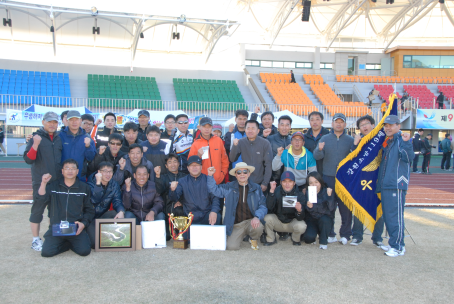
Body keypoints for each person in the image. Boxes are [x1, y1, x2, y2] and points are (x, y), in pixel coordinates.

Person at [32, 159, 95, 257]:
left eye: (73, 168)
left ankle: (72, 242)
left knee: (85, 251)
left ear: (77, 171)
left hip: (75, 228)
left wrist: (83, 223)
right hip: (57, 228)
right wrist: (43, 183)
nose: (70, 171)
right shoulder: (53, 186)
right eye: (67, 168)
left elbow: (89, 209)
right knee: (46, 252)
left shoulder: (84, 188)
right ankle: (67, 244)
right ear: (62, 171)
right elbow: (41, 200)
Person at [376, 115, 414, 257]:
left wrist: (406, 142)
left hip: (396, 184)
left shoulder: (401, 140)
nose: (388, 127)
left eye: (391, 125)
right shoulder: (390, 142)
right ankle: (395, 243)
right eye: (386, 125)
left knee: (394, 216)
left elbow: (409, 157)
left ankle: (397, 246)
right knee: (388, 216)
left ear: (398, 126)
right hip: (387, 184)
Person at [24, 111, 63, 251]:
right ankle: (35, 239)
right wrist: (35, 144)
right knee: (37, 210)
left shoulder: (59, 137)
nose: (52, 124)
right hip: (41, 183)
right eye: (49, 121)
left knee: (54, 212)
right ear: (43, 122)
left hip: (57, 181)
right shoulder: (36, 137)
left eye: (55, 122)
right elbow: (28, 159)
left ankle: (51, 236)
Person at [313, 113, 354, 245]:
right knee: (329, 206)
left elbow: (355, 156)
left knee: (345, 208)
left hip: (344, 179)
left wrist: (356, 145)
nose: (338, 124)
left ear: (345, 124)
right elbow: (317, 156)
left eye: (341, 122)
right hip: (328, 177)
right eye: (336, 121)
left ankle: (346, 234)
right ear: (332, 124)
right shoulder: (325, 138)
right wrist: (319, 150)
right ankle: (330, 233)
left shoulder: (350, 140)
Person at [206, 162, 267, 250]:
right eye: (239, 172)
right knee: (231, 247)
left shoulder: (256, 188)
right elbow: (214, 190)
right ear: (235, 175)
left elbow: (263, 206)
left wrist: (257, 217)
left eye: (245, 172)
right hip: (236, 224)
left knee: (259, 227)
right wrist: (210, 176)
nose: (242, 174)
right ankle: (241, 236)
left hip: (251, 221)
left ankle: (253, 238)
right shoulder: (229, 187)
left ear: (249, 174)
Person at [349, 115, 385, 247]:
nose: (364, 126)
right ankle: (357, 236)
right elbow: (351, 160)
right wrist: (355, 145)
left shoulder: (381, 140)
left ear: (373, 125)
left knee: (378, 208)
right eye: (361, 125)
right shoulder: (359, 141)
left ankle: (377, 237)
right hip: (361, 179)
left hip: (377, 179)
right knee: (358, 207)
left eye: (367, 123)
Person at [169, 156, 222, 239]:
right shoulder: (182, 181)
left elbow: (215, 197)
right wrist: (172, 190)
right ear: (188, 168)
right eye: (191, 165)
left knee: (217, 216)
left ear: (201, 167)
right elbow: (174, 198)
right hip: (190, 217)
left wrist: (214, 211)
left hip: (206, 216)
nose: (194, 167)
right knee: (187, 240)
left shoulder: (208, 179)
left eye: (197, 165)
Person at [86, 162, 125, 248]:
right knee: (94, 244)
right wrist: (98, 184)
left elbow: (117, 201)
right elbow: (94, 200)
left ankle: (106, 232)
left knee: (117, 213)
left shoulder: (114, 184)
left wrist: (121, 211)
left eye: (110, 171)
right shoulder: (89, 184)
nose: (108, 174)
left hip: (102, 215)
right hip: (89, 218)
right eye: (105, 171)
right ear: (99, 172)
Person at [263, 171, 307, 246]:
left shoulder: (299, 195)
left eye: (290, 181)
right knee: (266, 218)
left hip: (292, 223)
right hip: (278, 222)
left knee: (302, 225)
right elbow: (269, 208)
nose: (287, 184)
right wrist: (271, 191)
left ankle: (295, 239)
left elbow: (302, 217)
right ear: (280, 182)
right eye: (284, 181)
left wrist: (300, 211)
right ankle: (270, 239)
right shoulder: (276, 191)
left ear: (294, 183)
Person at [229, 120, 273, 192]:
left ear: (258, 131)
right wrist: (235, 146)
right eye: (248, 128)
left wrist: (265, 183)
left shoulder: (265, 143)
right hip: (244, 180)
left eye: (253, 128)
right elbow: (232, 159)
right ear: (245, 130)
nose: (250, 130)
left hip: (259, 181)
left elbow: (268, 164)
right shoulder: (241, 142)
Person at [154, 153, 187, 239]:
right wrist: (157, 176)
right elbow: (159, 191)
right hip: (167, 208)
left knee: (180, 210)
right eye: (170, 162)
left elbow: (188, 193)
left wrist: (182, 202)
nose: (173, 164)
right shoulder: (163, 177)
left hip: (181, 207)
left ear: (179, 163)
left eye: (175, 161)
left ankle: (181, 231)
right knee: (167, 237)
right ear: (166, 166)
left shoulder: (184, 177)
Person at [188, 117, 229, 185]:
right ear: (200, 127)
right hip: (202, 182)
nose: (207, 129)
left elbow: (224, 160)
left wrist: (223, 174)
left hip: (218, 181)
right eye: (204, 126)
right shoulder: (195, 144)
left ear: (212, 127)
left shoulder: (218, 140)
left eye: (209, 126)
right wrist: (198, 156)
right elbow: (190, 164)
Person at [301, 172, 336, 250]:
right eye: (311, 183)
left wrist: (329, 197)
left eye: (316, 182)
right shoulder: (306, 192)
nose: (314, 185)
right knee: (308, 239)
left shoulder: (327, 190)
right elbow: (306, 210)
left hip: (324, 218)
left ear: (320, 181)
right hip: (312, 219)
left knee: (325, 220)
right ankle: (314, 234)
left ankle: (323, 241)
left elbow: (331, 209)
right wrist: (308, 207)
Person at [59, 110, 96, 182]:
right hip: (62, 177)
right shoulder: (59, 136)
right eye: (71, 120)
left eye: (76, 119)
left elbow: (91, 158)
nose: (74, 122)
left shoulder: (87, 137)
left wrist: (88, 146)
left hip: (80, 178)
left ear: (80, 121)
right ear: (67, 121)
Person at [225, 109, 249, 181]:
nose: (242, 121)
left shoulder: (250, 134)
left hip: (248, 169)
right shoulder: (231, 134)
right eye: (240, 119)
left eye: (244, 119)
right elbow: (227, 148)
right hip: (234, 169)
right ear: (235, 119)